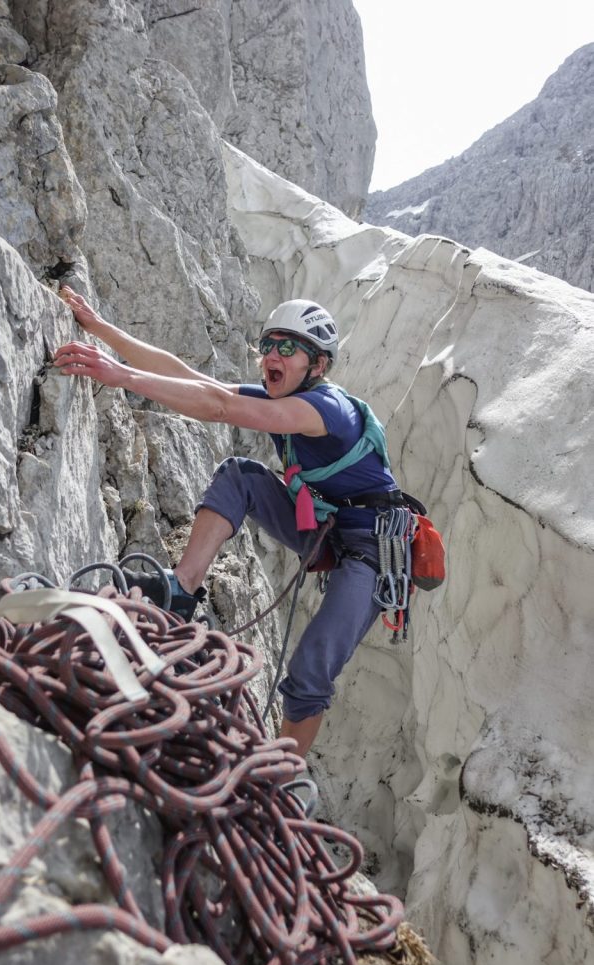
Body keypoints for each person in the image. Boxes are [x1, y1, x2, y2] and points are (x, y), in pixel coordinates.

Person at [54, 289, 401, 758]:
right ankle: (182, 588)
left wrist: (119, 376)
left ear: (317, 366)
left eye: (287, 347)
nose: (272, 356)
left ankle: (280, 783)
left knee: (309, 673)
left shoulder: (325, 409)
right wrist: (100, 328)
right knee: (240, 475)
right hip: (331, 531)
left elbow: (219, 407)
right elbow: (191, 380)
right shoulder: (287, 397)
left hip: (373, 551)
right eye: (269, 345)